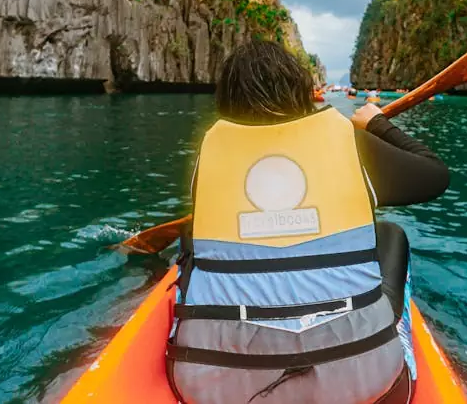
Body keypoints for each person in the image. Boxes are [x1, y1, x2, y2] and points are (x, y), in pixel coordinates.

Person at [168, 39, 449, 404]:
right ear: (302, 91)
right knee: (390, 233)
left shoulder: (207, 156)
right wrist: (377, 123)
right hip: (362, 380)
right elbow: (435, 175)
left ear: (225, 99)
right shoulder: (351, 143)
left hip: (213, 387)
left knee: (191, 242)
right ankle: (392, 337)